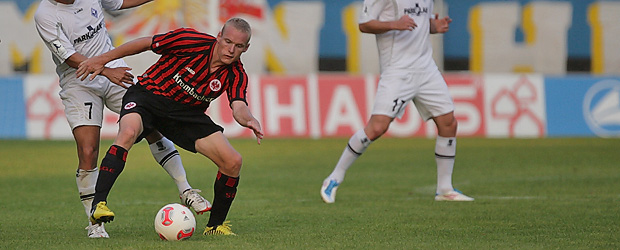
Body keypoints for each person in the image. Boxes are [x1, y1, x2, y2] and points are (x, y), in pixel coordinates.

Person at [34, 0, 210, 238]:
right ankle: (95, 223)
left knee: (152, 126)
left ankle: (186, 190)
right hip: (79, 81)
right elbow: (67, 55)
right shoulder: (45, 14)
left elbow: (119, 2)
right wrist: (105, 70)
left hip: (113, 70)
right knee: (88, 150)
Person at [76, 17, 263, 236]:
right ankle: (99, 205)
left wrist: (249, 119)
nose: (231, 50)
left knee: (233, 161)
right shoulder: (190, 40)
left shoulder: (236, 73)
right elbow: (146, 43)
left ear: (246, 48)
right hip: (148, 96)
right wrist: (102, 60)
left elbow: (238, 105)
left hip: (185, 115)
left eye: (238, 46)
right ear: (219, 36)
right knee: (127, 133)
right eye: (228, 41)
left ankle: (215, 226)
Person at [320, 0, 474, 203]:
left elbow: (417, 20)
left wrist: (433, 26)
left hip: (426, 67)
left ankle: (444, 189)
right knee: (376, 128)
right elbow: (364, 24)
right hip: (397, 71)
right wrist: (394, 24)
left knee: (448, 123)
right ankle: (334, 177)